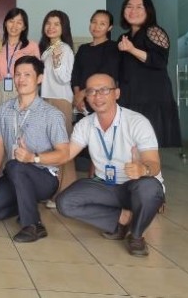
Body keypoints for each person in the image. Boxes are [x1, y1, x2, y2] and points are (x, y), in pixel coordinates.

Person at [56, 73, 165, 257]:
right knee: (65, 203)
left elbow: (154, 164)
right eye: (91, 91)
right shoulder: (85, 125)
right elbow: (66, 154)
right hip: (106, 186)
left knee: (150, 186)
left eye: (104, 90)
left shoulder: (137, 122)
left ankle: (136, 236)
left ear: (117, 93)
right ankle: (122, 219)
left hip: (135, 186)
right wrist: (34, 158)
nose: (97, 97)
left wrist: (142, 169)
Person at [0, 56, 69, 242]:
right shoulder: (4, 109)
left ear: (40, 78)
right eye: (18, 74)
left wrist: (32, 158)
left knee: (15, 165)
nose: (21, 79)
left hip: (43, 178)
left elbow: (64, 154)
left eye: (28, 74)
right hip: (14, 175)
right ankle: (25, 203)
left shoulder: (51, 114)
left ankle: (33, 225)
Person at [117, 0, 181, 148]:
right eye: (129, 6)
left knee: (148, 144)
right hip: (129, 96)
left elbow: (160, 61)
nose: (133, 11)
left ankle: (149, 172)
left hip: (151, 97)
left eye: (139, 7)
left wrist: (132, 50)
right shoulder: (124, 37)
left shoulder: (154, 31)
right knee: (129, 145)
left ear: (148, 11)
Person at [38, 10, 77, 198]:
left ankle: (65, 192)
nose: (51, 27)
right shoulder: (47, 49)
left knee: (62, 147)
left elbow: (64, 79)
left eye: (56, 24)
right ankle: (53, 190)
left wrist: (56, 62)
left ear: (64, 28)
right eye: (48, 23)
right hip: (47, 100)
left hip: (60, 101)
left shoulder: (64, 49)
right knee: (51, 148)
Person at [71, 10, 120, 115]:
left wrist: (84, 93)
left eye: (102, 24)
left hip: (101, 99)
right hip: (82, 104)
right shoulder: (83, 48)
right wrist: (78, 96)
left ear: (110, 27)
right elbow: (76, 74)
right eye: (94, 22)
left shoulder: (114, 47)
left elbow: (108, 74)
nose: (96, 26)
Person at [0, 7, 40, 108]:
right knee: (3, 122)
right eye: (11, 21)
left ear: (24, 27)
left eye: (19, 22)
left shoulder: (32, 46)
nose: (14, 25)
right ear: (6, 23)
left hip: (23, 88)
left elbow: (37, 72)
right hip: (2, 88)